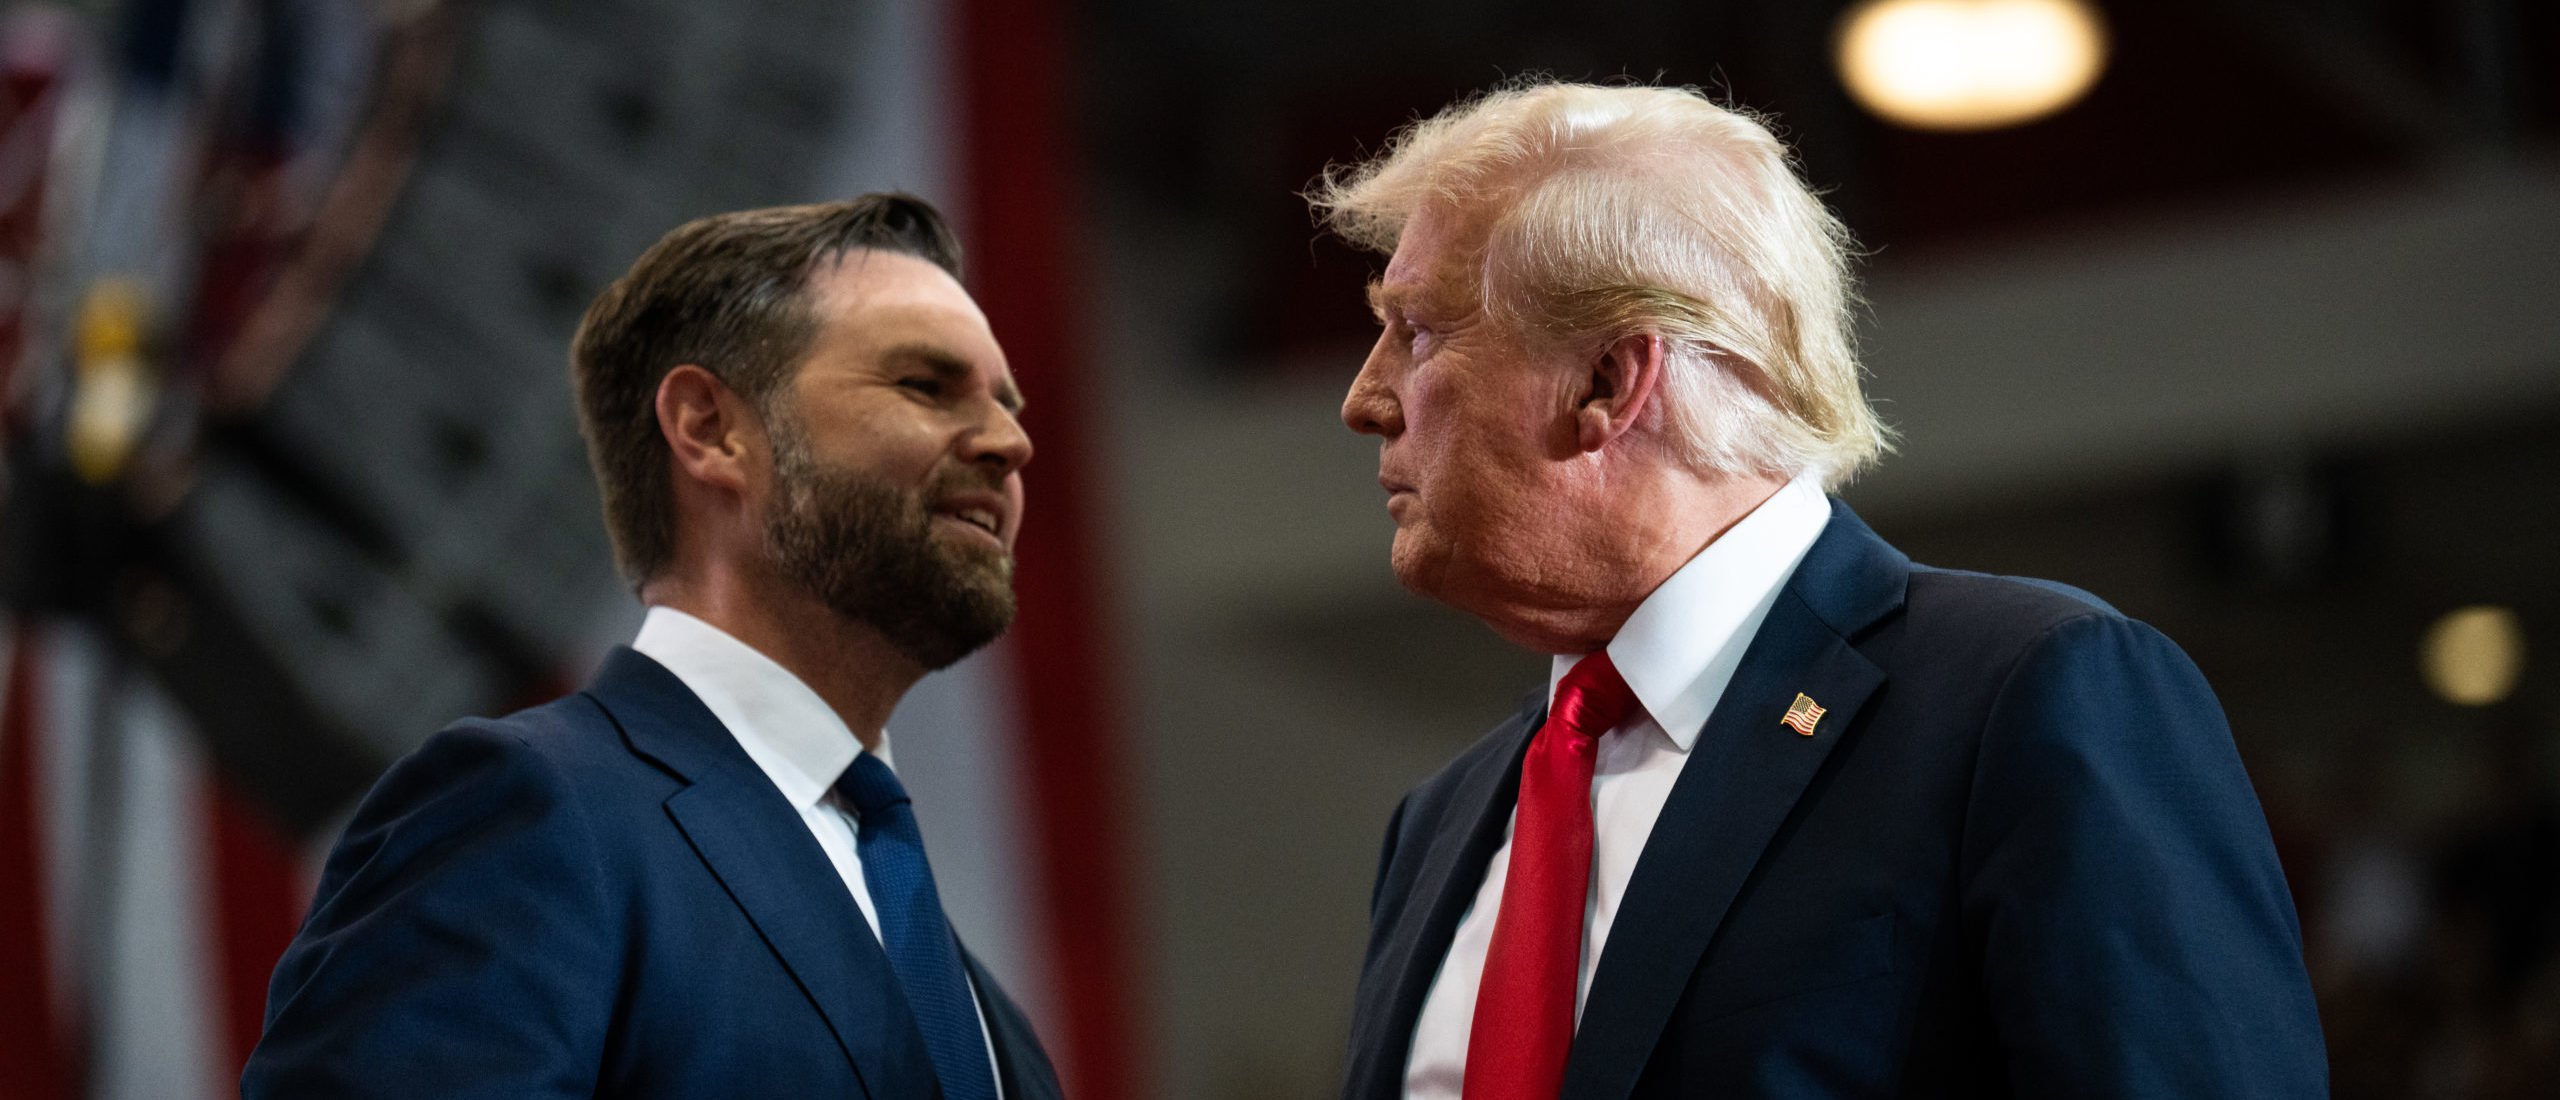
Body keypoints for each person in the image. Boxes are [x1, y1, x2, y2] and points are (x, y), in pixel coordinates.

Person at [1312, 82, 2327, 1099]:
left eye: (1416, 332)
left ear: (1608, 384)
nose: (1364, 399)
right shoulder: (1437, 825)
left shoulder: (2029, 697)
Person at [244, 194, 1060, 1099]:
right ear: (711, 429)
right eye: (925, 385)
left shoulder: (996, 1030)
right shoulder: (529, 819)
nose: (1010, 442)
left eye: (1007, 403)